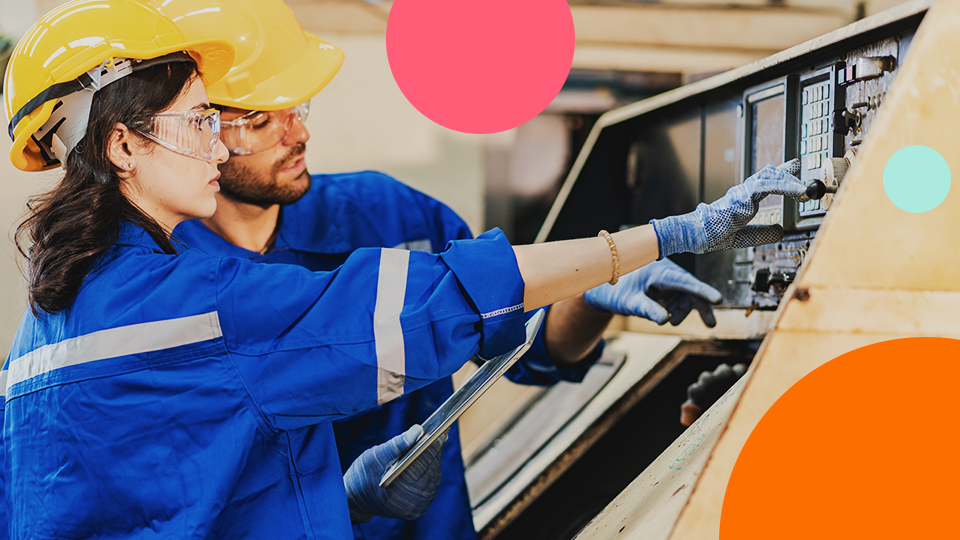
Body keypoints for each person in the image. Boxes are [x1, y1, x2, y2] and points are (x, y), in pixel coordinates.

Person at [2, 1, 807, 538]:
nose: (288, 133)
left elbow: (517, 337)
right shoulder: (201, 301)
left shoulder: (46, 328)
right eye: (218, 120)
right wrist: (670, 233)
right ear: (122, 145)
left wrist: (592, 295)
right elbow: (442, 301)